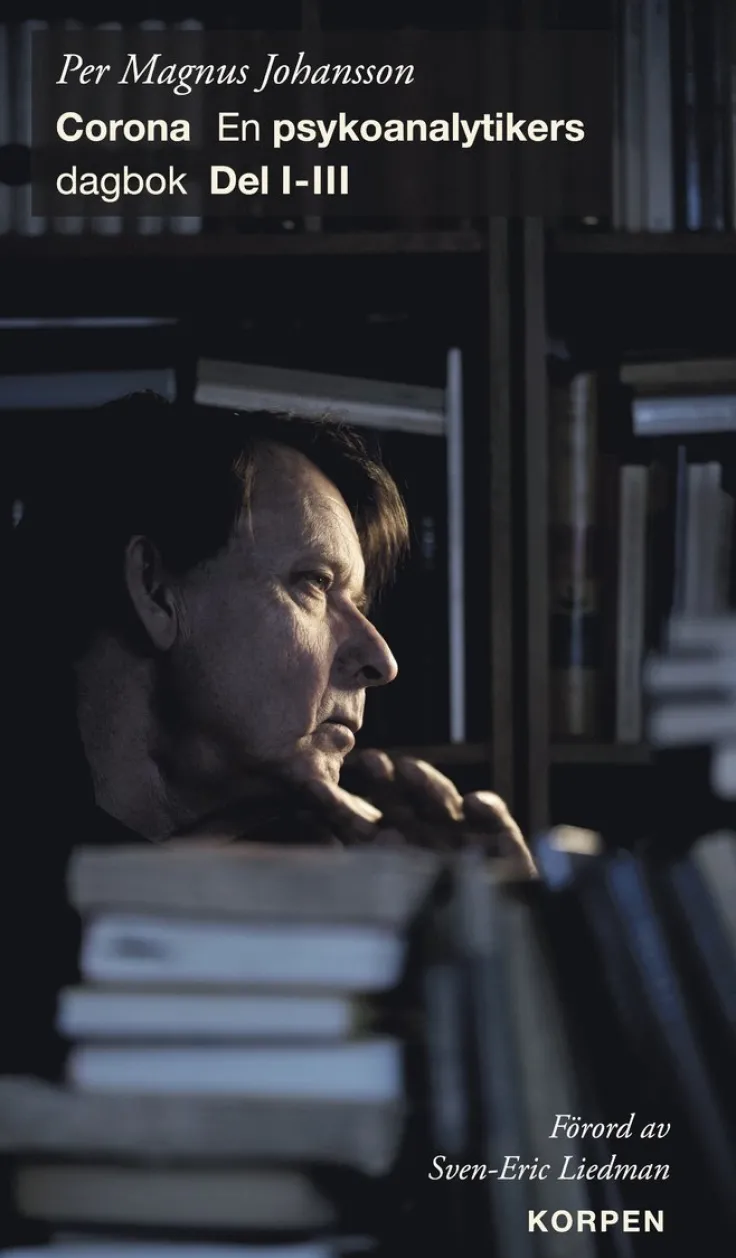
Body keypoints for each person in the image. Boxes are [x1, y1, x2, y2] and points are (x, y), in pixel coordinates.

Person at [4, 391, 532, 1076]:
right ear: (156, 591)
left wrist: (496, 952)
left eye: (360, 604)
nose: (380, 658)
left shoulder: (338, 914)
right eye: (314, 583)